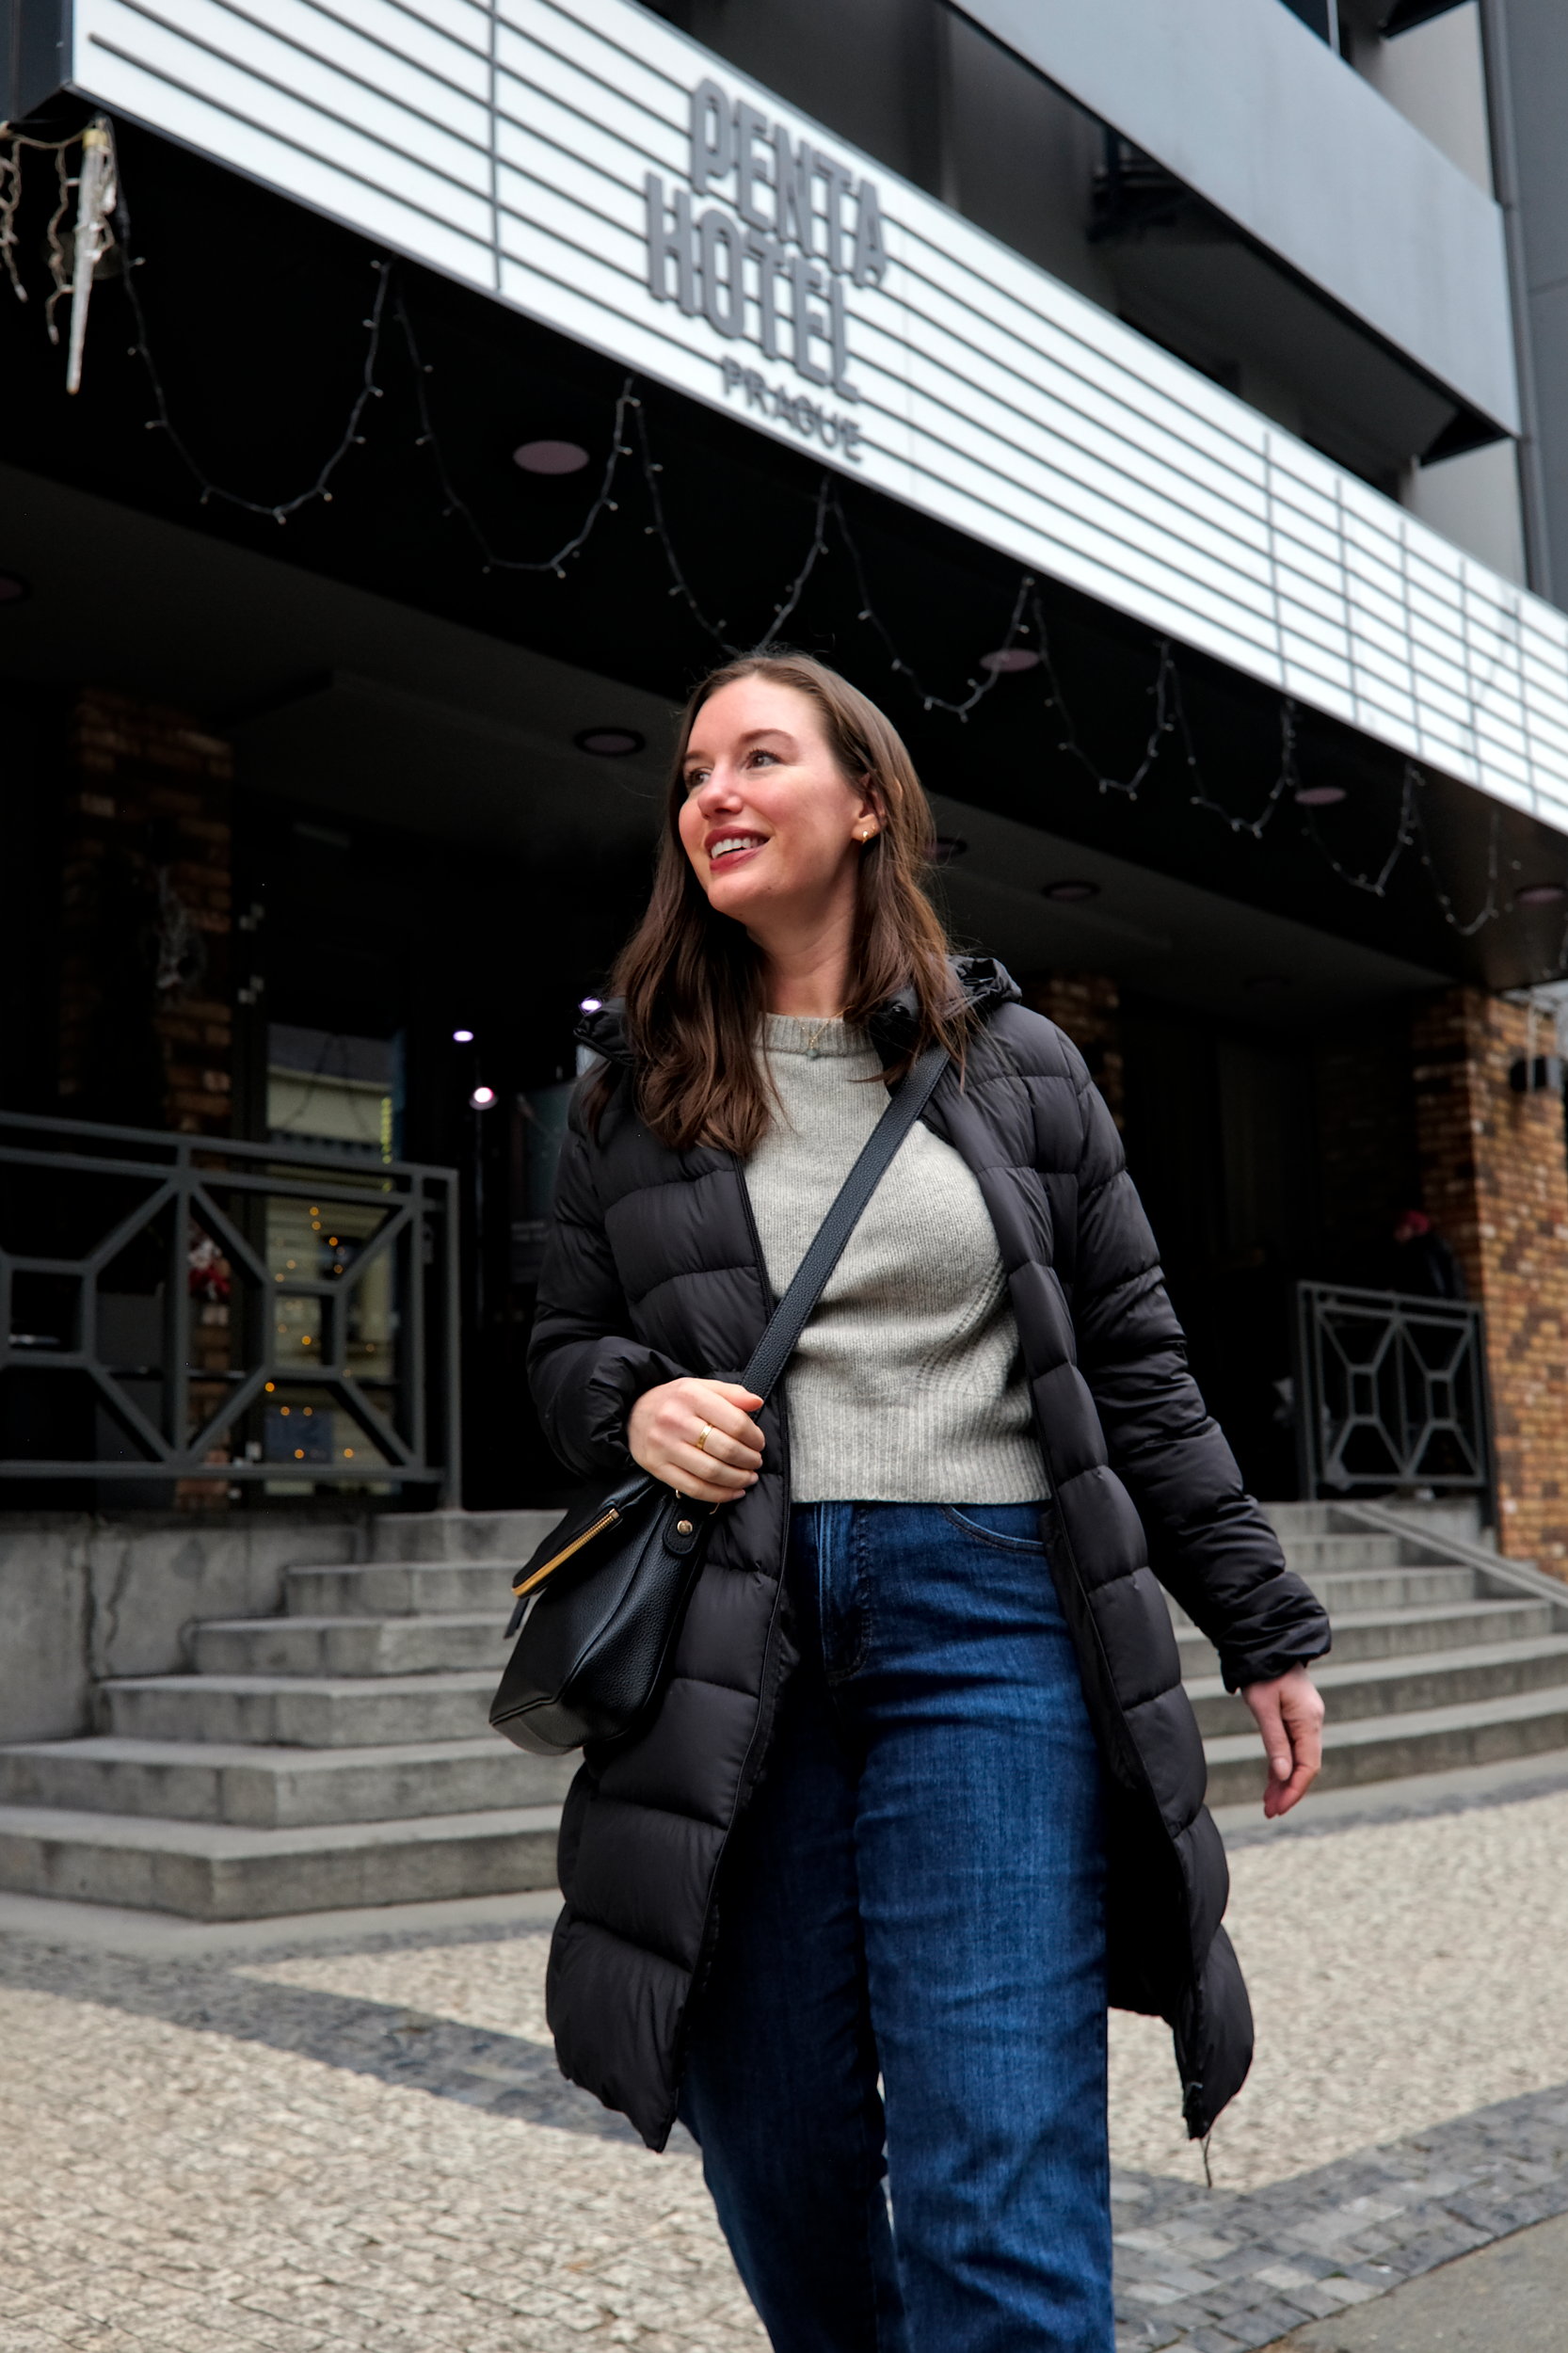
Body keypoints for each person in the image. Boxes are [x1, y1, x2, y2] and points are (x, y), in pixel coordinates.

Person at [528, 652, 1330, 2353]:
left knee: (994, 2165)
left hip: (987, 1624)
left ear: (867, 800)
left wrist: (1258, 1620)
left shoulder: (1018, 1064)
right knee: (784, 2145)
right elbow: (559, 1346)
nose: (712, 795)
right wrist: (632, 1401)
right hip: (733, 1637)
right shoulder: (629, 1091)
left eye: (759, 757)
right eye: (691, 773)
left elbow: (1134, 1359)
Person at [1389, 1208, 1465, 1300]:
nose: (1396, 1234)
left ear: (1414, 1228)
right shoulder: (1436, 1245)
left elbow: (1432, 1282)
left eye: (1401, 1229)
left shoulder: (1419, 1250)